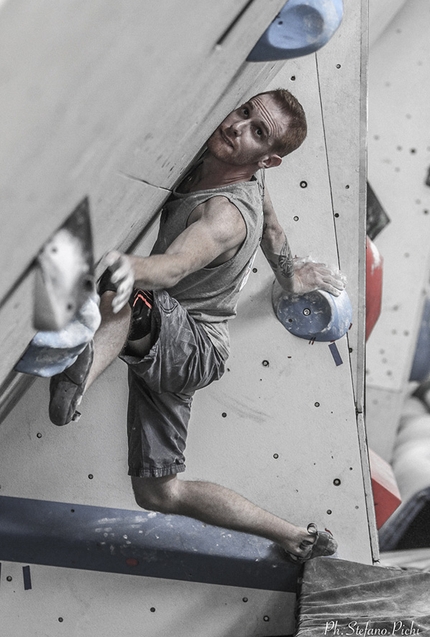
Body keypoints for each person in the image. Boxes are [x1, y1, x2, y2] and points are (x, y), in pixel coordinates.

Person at [49, 89, 345, 563]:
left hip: (193, 347)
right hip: (177, 345)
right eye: (245, 111)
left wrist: (130, 264)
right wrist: (290, 276)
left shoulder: (225, 213)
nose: (237, 126)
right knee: (159, 494)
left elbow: (174, 267)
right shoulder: (250, 183)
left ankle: (79, 378)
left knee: (132, 295)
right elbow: (272, 231)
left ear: (267, 159)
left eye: (256, 131)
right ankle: (294, 535)